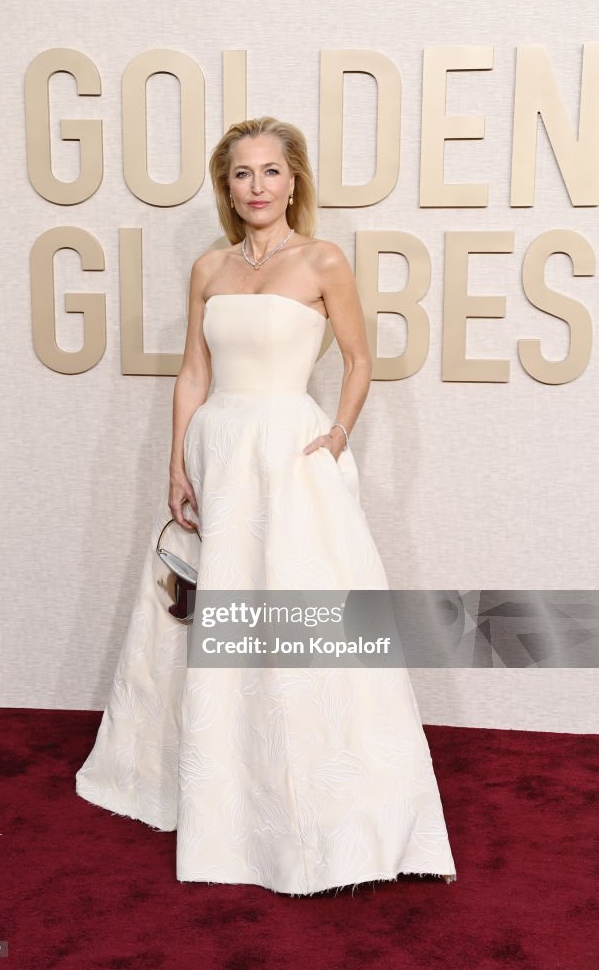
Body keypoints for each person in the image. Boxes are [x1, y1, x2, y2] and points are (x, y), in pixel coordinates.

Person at [76, 116, 457, 895]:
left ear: (293, 181)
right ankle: (222, 784)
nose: (257, 187)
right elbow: (192, 373)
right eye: (242, 174)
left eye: (270, 172)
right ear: (228, 187)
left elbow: (358, 359)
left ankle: (319, 797)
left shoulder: (321, 260)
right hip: (221, 451)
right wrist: (175, 464)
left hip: (290, 452)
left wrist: (339, 434)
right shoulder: (209, 267)